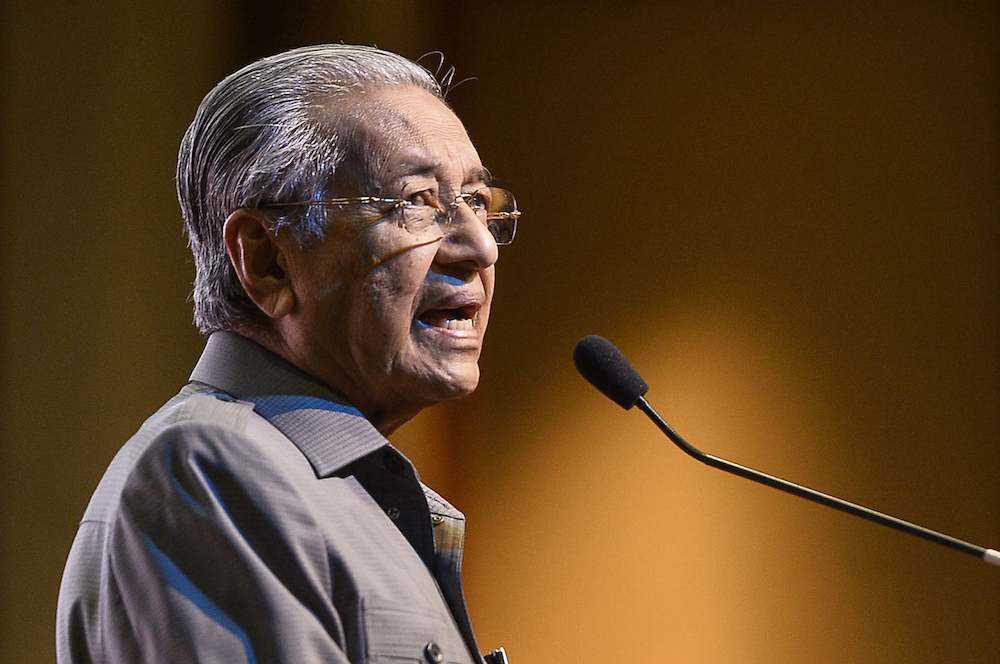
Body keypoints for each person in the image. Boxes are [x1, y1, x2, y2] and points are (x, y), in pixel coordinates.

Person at [55, 44, 519, 664]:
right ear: (268, 259)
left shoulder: (337, 492)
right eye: (416, 203)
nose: (480, 249)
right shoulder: (210, 472)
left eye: (478, 204)